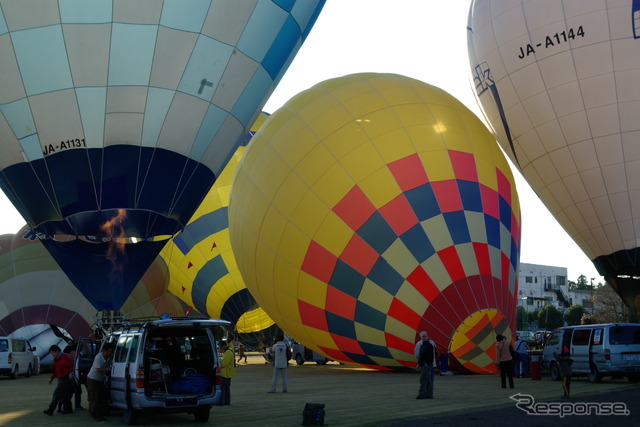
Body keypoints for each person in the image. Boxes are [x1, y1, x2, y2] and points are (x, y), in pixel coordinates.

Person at [87, 342, 115, 422]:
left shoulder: (109, 357)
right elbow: (97, 369)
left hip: (100, 380)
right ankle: (92, 416)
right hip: (93, 379)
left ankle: (100, 415)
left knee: (102, 398)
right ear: (105, 351)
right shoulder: (98, 357)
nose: (111, 353)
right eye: (110, 351)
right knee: (94, 398)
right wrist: (109, 369)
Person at [43, 344, 75, 416]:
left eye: (52, 353)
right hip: (61, 378)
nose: (52, 354)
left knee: (56, 394)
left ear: (57, 351)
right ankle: (68, 409)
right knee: (65, 395)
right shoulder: (56, 360)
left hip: (65, 378)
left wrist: (71, 372)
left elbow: (71, 365)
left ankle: (50, 410)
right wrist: (52, 378)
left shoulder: (65, 357)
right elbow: (55, 371)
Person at [415, 331, 435, 399]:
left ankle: (422, 394)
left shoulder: (429, 345)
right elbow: (420, 356)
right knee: (428, 379)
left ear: (427, 336)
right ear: (421, 337)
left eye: (425, 336)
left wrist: (427, 363)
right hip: (423, 364)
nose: (424, 338)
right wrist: (419, 364)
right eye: (423, 336)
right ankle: (429, 394)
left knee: (423, 379)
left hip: (426, 365)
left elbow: (431, 356)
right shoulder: (422, 345)